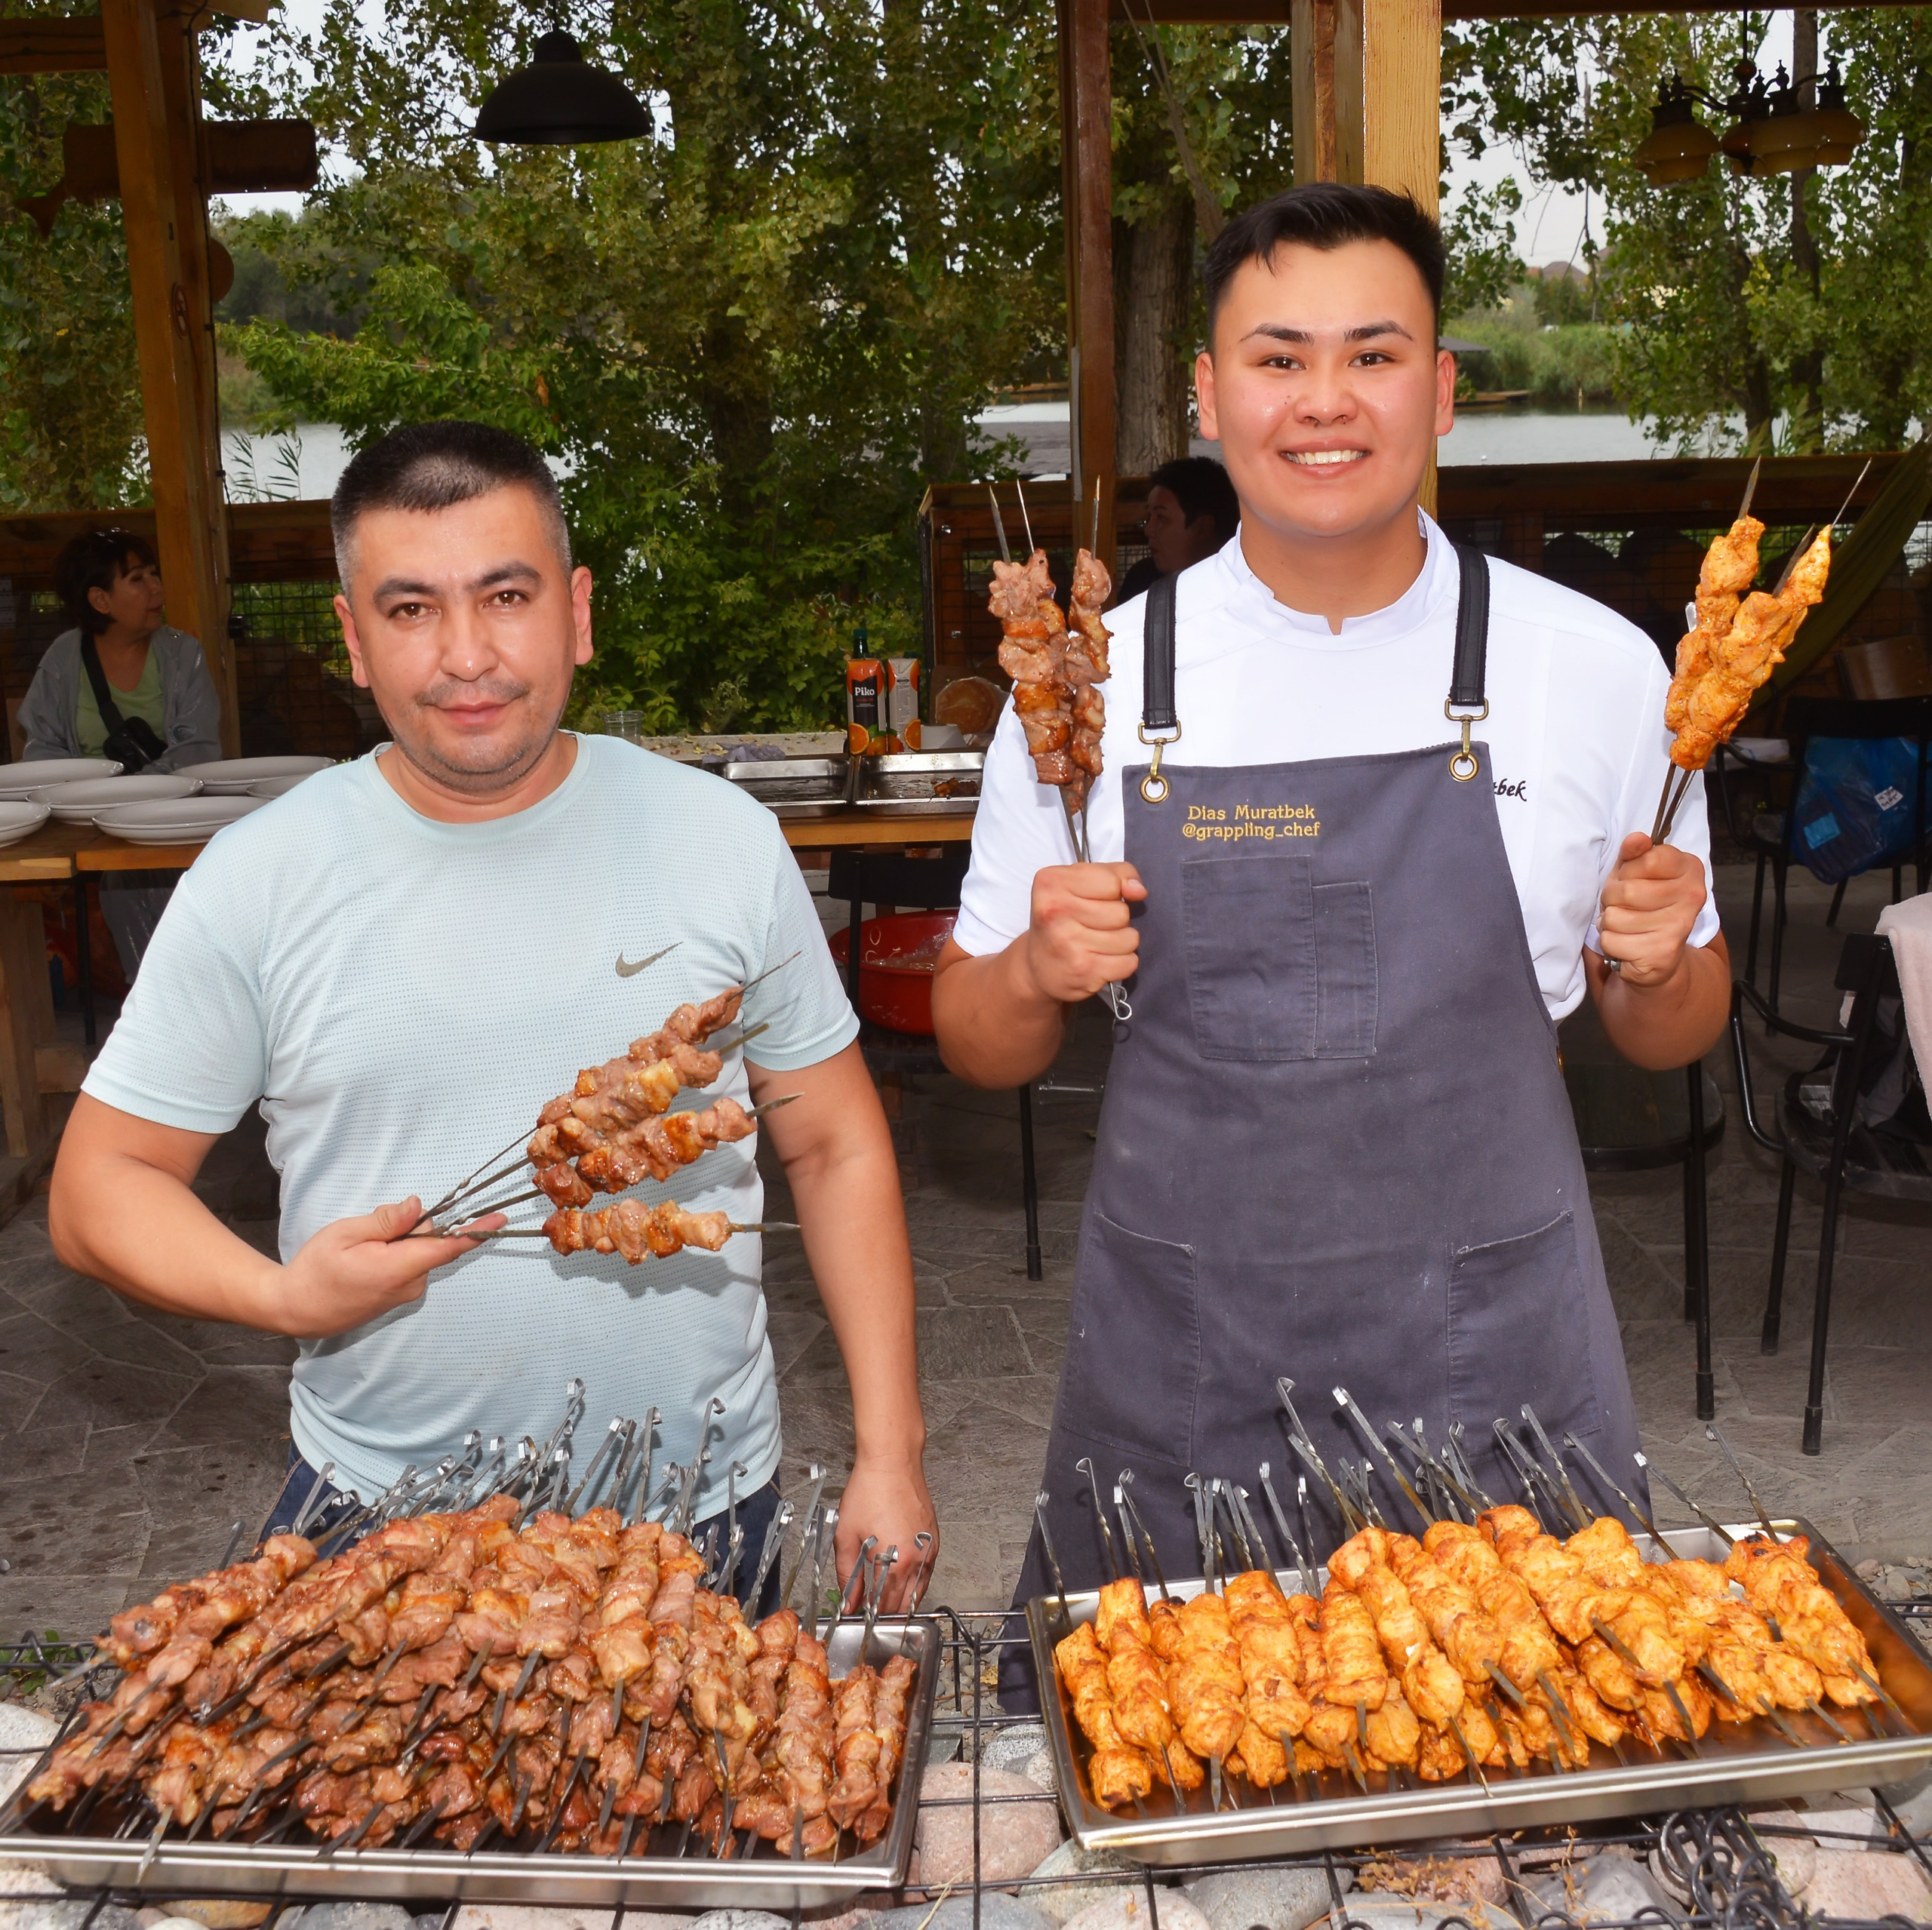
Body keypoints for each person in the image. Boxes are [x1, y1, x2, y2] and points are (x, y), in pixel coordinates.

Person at [930, 184, 1727, 1677]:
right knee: (1179, 1747)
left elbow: (1670, 1028)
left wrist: (1660, 961)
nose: (1321, 401)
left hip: (1496, 1352)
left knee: (1529, 1731)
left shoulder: (1594, 669)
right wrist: (1033, 969)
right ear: (1208, 391)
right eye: (1276, 356)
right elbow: (974, 1042)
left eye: (1369, 356)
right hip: (1186, 1357)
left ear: (1438, 391)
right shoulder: (1085, 689)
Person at [49, 420, 936, 1610]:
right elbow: (98, 1187)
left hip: (701, 1517)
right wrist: (279, 1296)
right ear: (354, 641)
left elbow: (831, 1144)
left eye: (505, 594)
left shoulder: (722, 840)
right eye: (411, 609)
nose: (467, 655)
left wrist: (894, 1452)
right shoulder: (260, 876)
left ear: (576, 612)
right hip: (378, 1519)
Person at [20, 530, 223, 979]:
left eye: (154, 574)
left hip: (172, 814)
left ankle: (164, 997)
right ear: (100, 600)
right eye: (137, 578)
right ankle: (157, 999)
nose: (156, 588)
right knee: (122, 876)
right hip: (86, 819)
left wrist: (139, 793)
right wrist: (90, 796)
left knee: (132, 876)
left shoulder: (182, 654)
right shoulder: (63, 658)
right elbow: (41, 750)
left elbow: (199, 748)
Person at [1114, 455, 1241, 604]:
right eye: (1149, 517)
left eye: (1161, 517)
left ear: (1203, 527)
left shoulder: (1244, 588)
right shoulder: (1143, 580)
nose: (1149, 530)